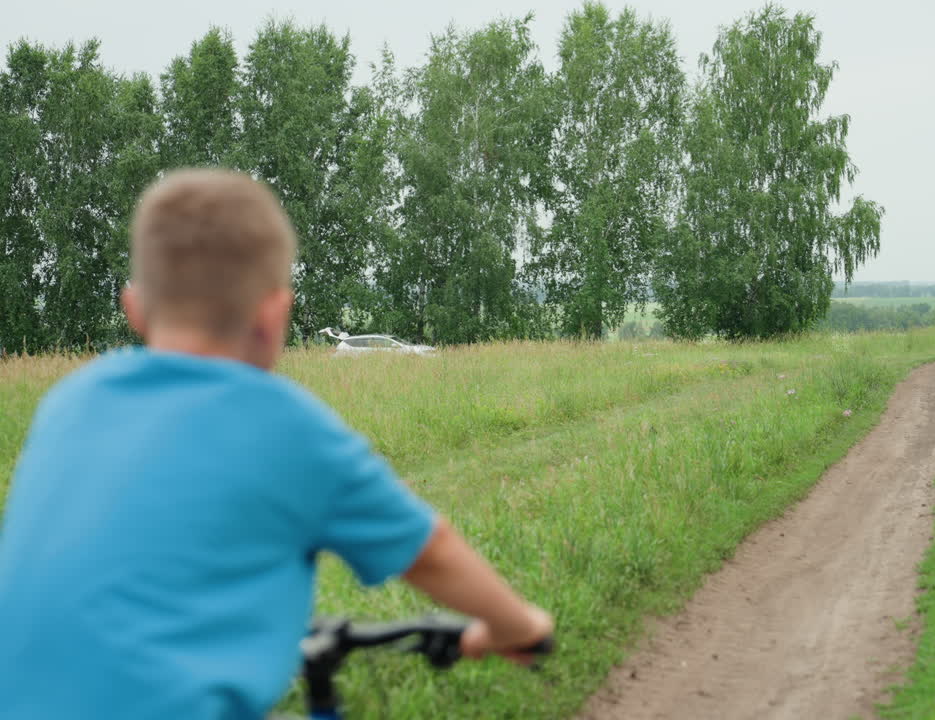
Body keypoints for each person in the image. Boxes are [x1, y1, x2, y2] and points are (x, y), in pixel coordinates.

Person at [0, 169, 552, 720]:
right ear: (274, 314)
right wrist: (515, 626)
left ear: (135, 308)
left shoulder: (68, 402)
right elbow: (431, 553)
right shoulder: (285, 426)